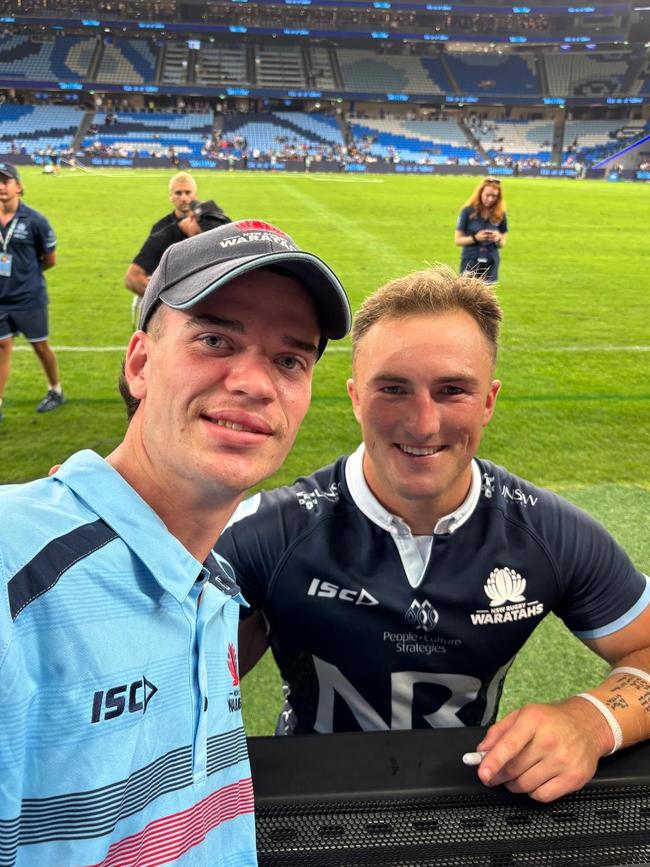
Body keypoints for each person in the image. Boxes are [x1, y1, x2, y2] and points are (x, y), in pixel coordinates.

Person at [217, 265, 650, 803]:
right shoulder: (268, 532)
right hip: (315, 802)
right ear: (355, 397)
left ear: (489, 401)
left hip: (477, 801)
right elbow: (169, 687)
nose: (423, 424)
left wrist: (591, 721)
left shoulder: (549, 533)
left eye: (452, 391)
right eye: (393, 389)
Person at [0, 219, 351, 866]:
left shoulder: (212, 584)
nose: (254, 381)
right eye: (215, 338)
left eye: (290, 359)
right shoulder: (14, 570)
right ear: (139, 363)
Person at [0, 161, 64, 420]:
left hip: (29, 297)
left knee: (40, 347)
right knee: (2, 346)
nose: (1, 186)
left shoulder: (35, 220)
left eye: (6, 181)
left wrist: (26, 276)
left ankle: (55, 390)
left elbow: (49, 259)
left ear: (19, 186)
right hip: (0, 300)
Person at [124, 172, 230, 325]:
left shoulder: (211, 223)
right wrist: (170, 305)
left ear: (196, 195)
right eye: (178, 193)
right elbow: (134, 277)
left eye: (188, 192)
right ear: (171, 197)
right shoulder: (161, 231)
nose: (184, 198)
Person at [454, 177, 508, 284]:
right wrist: (475, 238)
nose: (490, 199)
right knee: (467, 298)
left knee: (488, 299)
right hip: (470, 262)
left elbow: (502, 243)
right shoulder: (467, 211)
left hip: (490, 263)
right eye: (487, 195)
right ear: (480, 193)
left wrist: (498, 238)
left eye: (494, 196)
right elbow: (458, 240)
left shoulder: (500, 213)